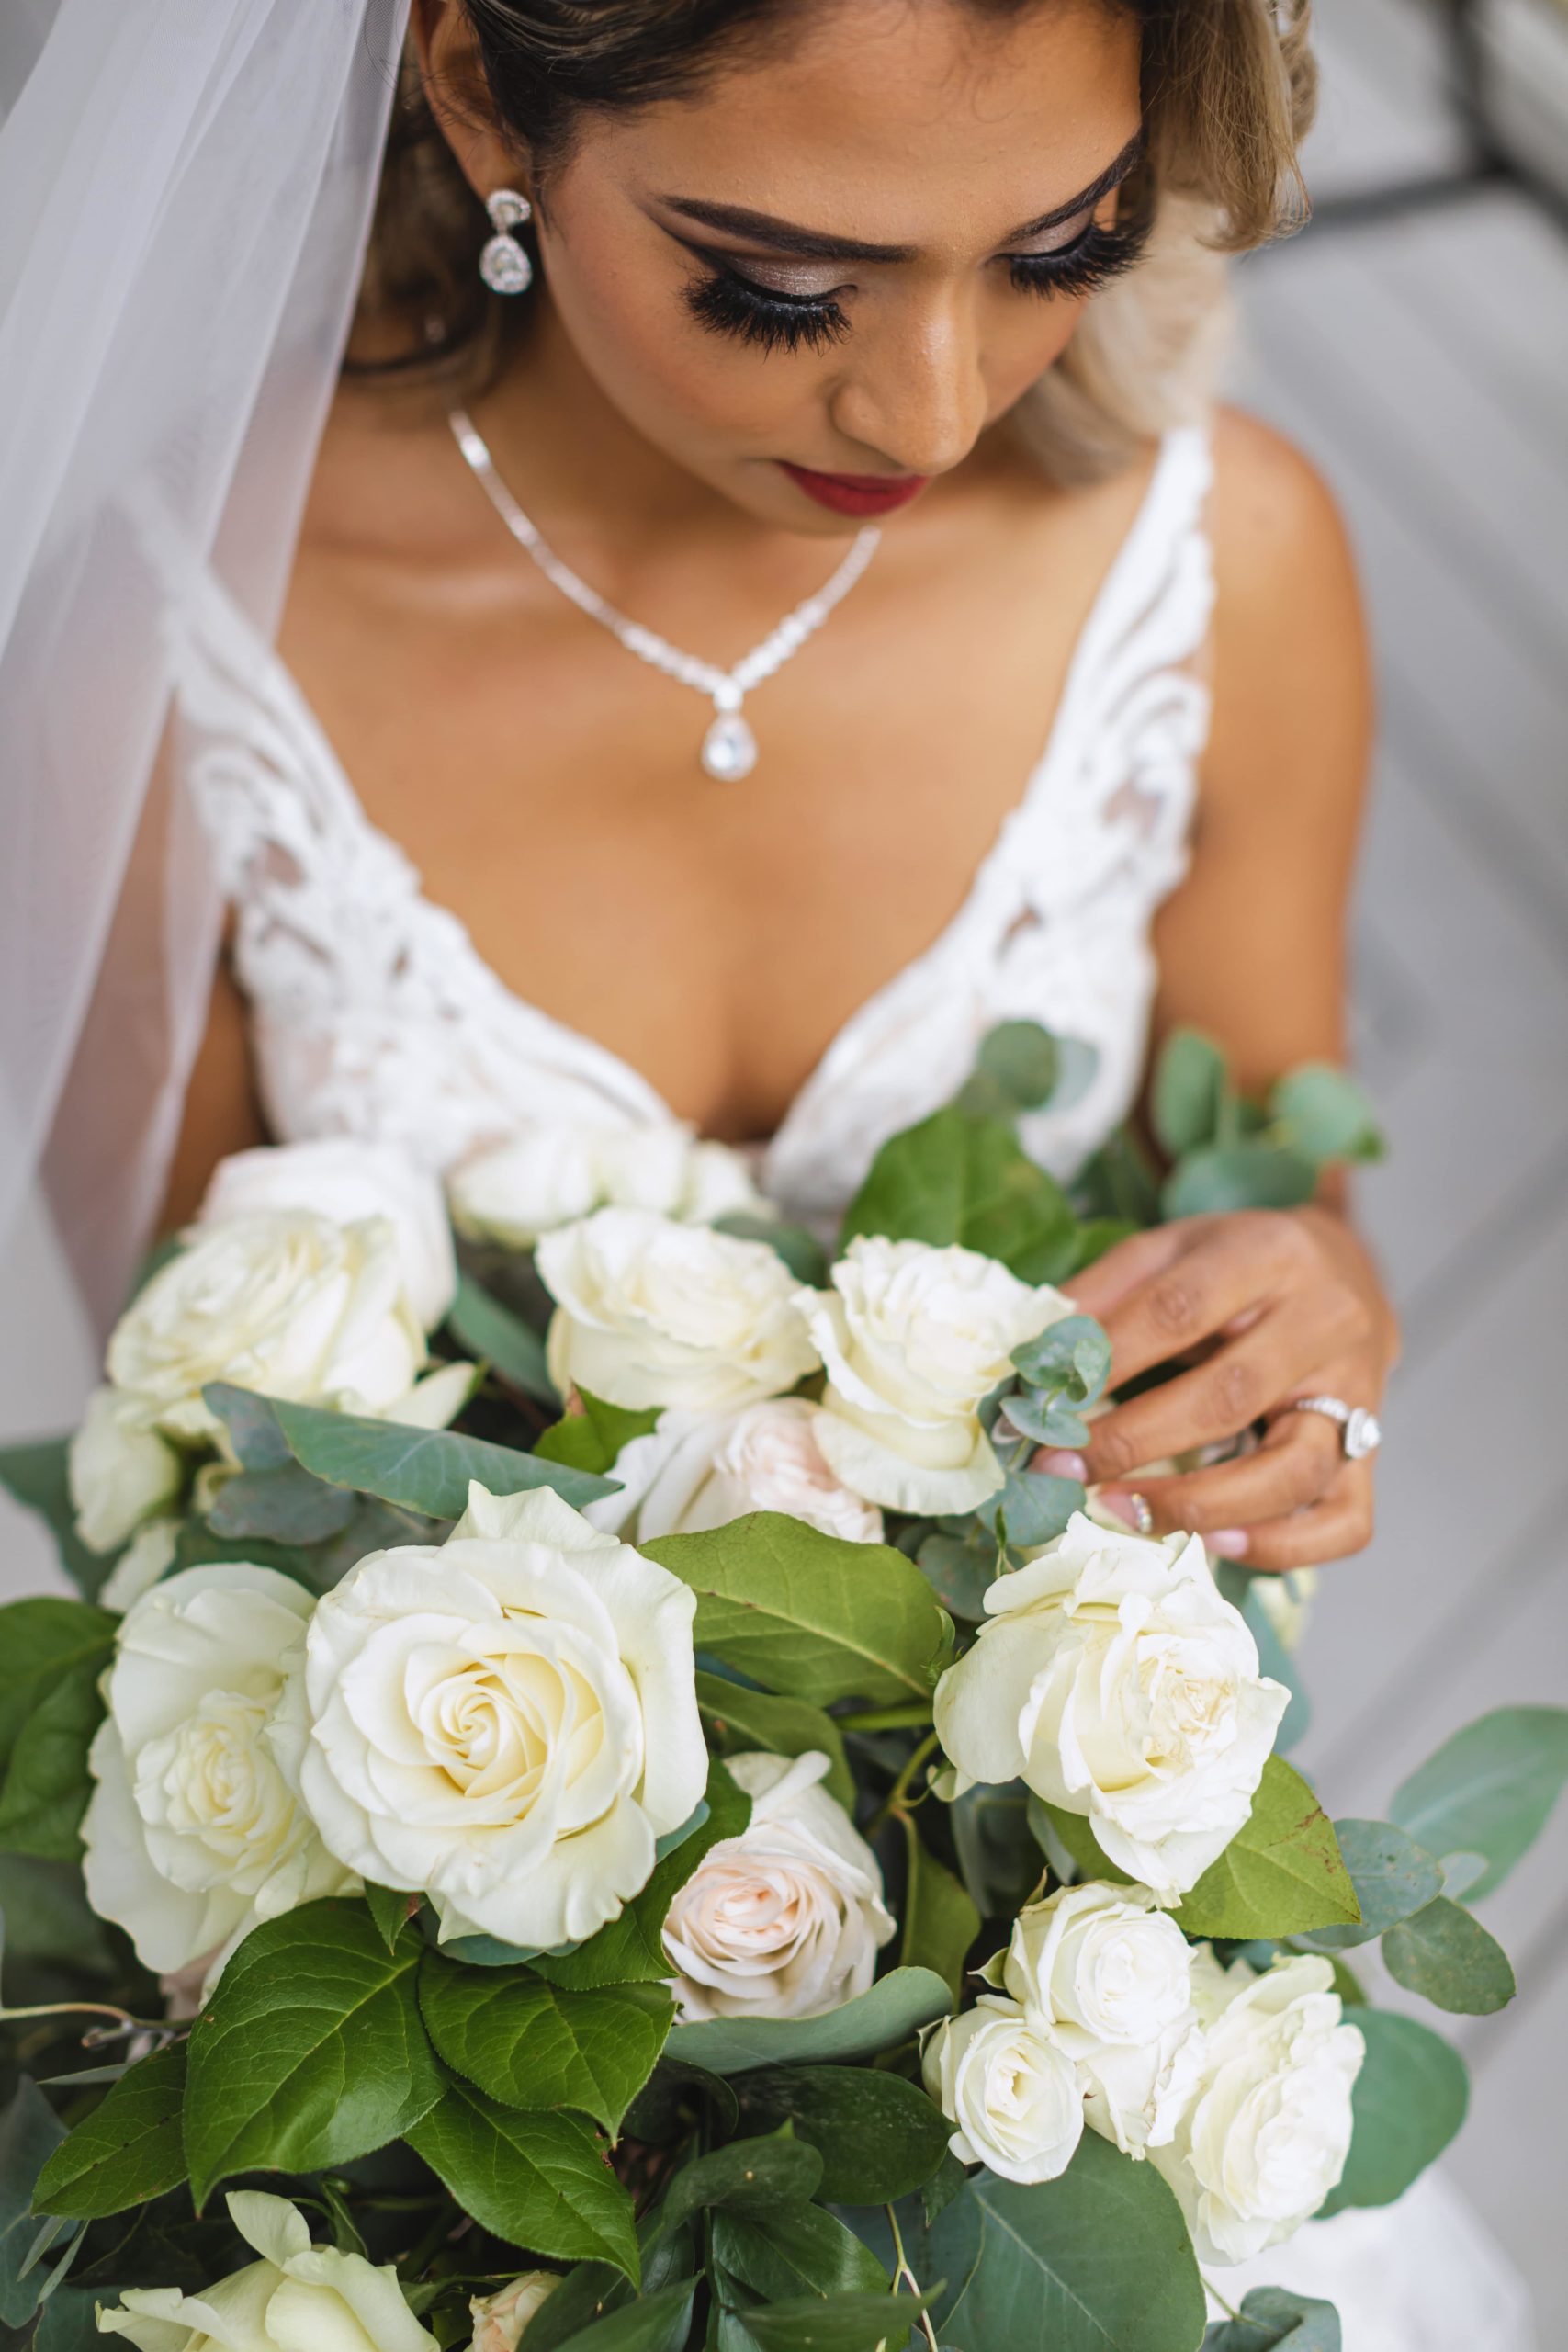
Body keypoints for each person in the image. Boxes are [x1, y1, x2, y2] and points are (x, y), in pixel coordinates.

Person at [0, 3, 1535, 2342]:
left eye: (1063, 245)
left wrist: (1310, 1314)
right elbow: (196, 1476)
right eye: (780, 288)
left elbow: (1271, 1166)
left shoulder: (1226, 561)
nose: (928, 405)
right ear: (481, 92)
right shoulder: (157, 647)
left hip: (1060, 2094)